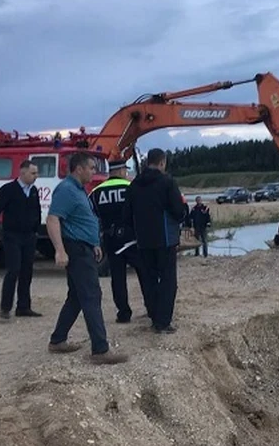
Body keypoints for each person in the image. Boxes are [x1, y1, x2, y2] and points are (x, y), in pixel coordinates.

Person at [46, 151, 128, 364]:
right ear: (79, 168)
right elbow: (53, 219)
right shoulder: (66, 190)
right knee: (91, 295)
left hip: (85, 247)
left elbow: (83, 220)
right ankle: (100, 350)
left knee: (76, 297)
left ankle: (57, 340)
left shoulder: (80, 190)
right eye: (91, 168)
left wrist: (94, 244)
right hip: (75, 250)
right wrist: (60, 250)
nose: (94, 172)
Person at [123, 148, 187, 334]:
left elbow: (126, 215)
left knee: (149, 280)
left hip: (143, 240)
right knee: (167, 281)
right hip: (165, 238)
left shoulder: (134, 184)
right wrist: (183, 214)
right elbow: (177, 210)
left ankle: (153, 316)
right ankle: (163, 322)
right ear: (162, 163)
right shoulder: (167, 182)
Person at [90, 159, 152, 323]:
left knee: (117, 278)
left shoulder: (96, 192)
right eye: (125, 170)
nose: (126, 172)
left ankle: (123, 313)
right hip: (132, 238)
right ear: (120, 171)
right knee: (144, 273)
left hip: (110, 239)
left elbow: (92, 217)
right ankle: (151, 307)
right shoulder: (131, 187)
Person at [0, 159, 42, 320]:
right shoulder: (8, 189)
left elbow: (37, 212)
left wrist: (36, 230)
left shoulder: (33, 191)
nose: (36, 176)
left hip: (29, 236)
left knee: (27, 271)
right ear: (23, 173)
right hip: (12, 236)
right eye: (33, 173)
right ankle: (5, 308)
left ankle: (24, 307)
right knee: (14, 270)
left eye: (36, 173)